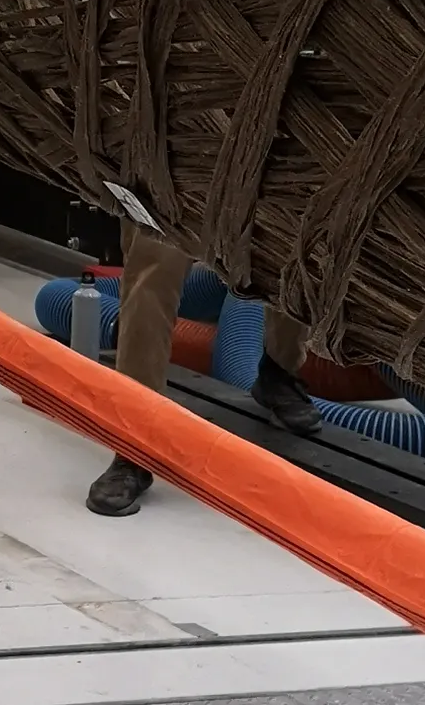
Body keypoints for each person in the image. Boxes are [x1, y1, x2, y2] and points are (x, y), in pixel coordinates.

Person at [85, 221, 320, 516]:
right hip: (175, 176)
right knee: (153, 264)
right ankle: (134, 442)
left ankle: (280, 370)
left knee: (292, 243)